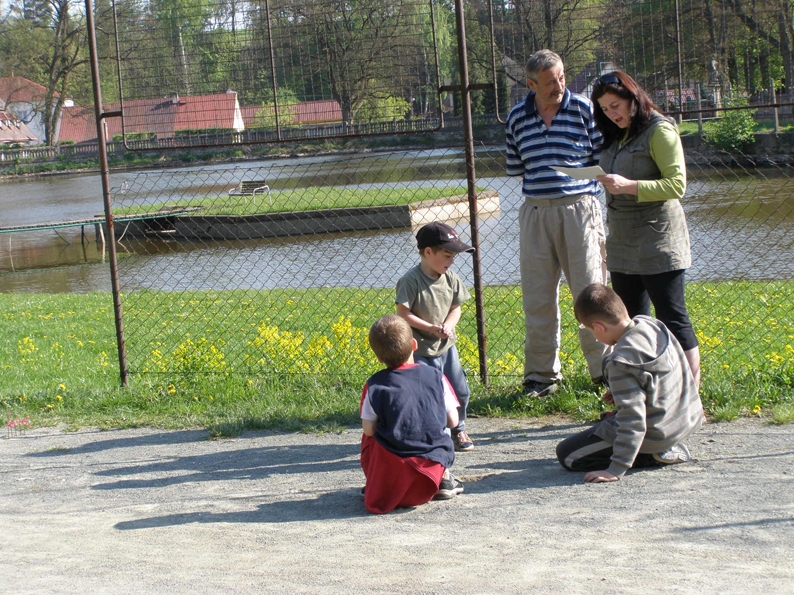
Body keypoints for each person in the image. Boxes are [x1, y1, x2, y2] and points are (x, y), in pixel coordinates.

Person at [505, 49, 608, 398]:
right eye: (550, 82)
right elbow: (515, 167)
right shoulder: (517, 117)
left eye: (562, 78)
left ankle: (605, 373)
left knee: (592, 293)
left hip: (579, 210)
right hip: (536, 213)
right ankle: (541, 377)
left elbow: (601, 159)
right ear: (532, 84)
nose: (559, 86)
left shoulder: (584, 109)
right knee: (538, 297)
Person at [591, 70, 701, 388]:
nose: (613, 114)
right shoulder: (616, 135)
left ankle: (690, 398)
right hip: (623, 241)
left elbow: (677, 185)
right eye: (606, 110)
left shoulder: (659, 130)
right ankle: (639, 398)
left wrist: (629, 186)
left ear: (633, 98)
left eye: (616, 106)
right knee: (630, 323)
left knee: (672, 317)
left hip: (659, 239)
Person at [556, 283, 703, 482]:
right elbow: (660, 376)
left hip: (657, 433)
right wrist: (621, 391)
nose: (594, 336)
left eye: (590, 331)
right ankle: (664, 444)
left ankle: (654, 455)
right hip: (683, 419)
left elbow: (633, 419)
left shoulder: (620, 362)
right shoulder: (651, 325)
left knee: (568, 454)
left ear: (599, 327)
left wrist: (616, 469)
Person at [360, 315, 464, 514]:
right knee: (439, 429)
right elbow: (453, 421)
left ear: (378, 357)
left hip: (395, 482)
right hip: (429, 477)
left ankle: (377, 481)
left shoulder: (375, 384)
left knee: (368, 435)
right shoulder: (436, 376)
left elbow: (369, 429)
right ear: (414, 344)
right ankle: (445, 479)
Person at [395, 221, 475, 451]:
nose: (451, 262)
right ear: (428, 252)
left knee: (458, 389)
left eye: (453, 257)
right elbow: (403, 313)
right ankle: (432, 433)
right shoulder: (411, 281)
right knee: (427, 394)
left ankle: (458, 429)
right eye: (447, 255)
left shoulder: (451, 278)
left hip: (447, 347)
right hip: (420, 349)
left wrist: (448, 325)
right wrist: (431, 328)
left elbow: (456, 308)